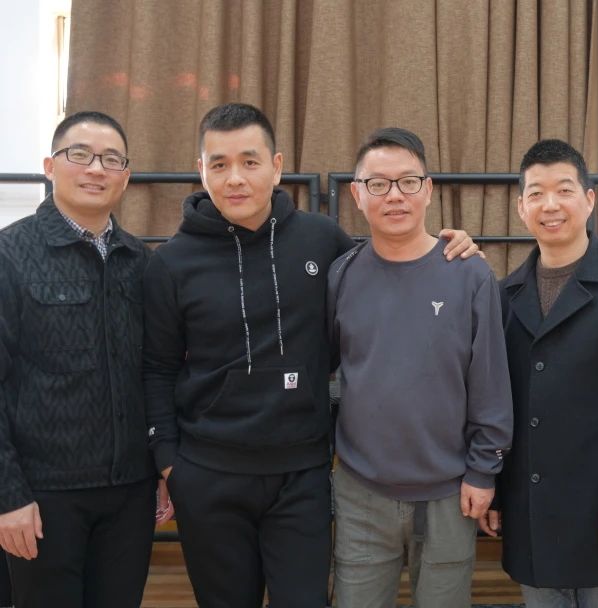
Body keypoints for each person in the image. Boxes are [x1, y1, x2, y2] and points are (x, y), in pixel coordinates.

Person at [142, 105, 476, 608]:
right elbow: (157, 368)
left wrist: (449, 250)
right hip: (208, 474)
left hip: (302, 475)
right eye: (219, 164)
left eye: (250, 162)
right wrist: (170, 464)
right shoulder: (170, 263)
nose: (235, 178)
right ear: (201, 170)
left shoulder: (322, 240)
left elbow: (390, 273)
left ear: (276, 166)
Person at [477, 139, 598, 608]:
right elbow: (498, 403)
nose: (550, 205)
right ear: (521, 207)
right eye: (536, 193)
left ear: (588, 200)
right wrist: (498, 493)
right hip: (531, 514)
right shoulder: (505, 295)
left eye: (564, 190)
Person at [327, 127, 513, 608]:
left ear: (428, 190)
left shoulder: (469, 273)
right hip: (360, 490)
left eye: (408, 182)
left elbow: (490, 383)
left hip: (450, 492)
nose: (395, 195)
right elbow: (327, 368)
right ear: (357, 194)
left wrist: (483, 471)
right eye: (378, 184)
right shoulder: (340, 275)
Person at [0, 111, 171, 608]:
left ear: (126, 176)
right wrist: (8, 495)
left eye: (111, 159)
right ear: (50, 166)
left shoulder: (142, 262)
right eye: (80, 154)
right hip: (42, 497)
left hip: (130, 494)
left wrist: (161, 470)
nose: (96, 168)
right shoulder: (10, 254)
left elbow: (156, 374)